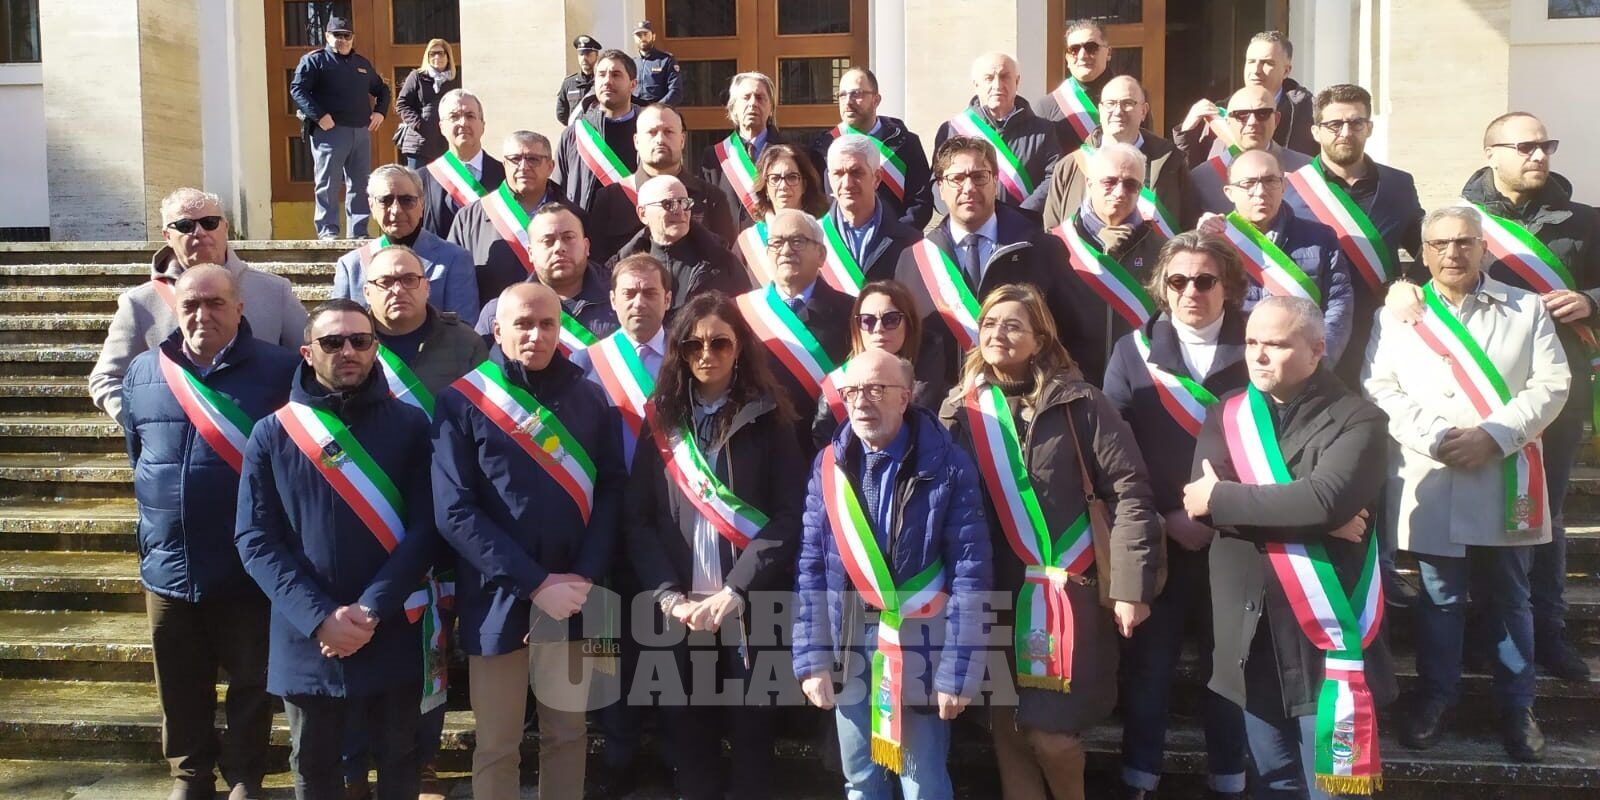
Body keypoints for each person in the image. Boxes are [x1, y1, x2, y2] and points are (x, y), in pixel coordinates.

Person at [1364, 206, 1570, 763]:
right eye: (1439, 243)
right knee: (1440, 598)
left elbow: (1553, 384)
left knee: (1510, 596)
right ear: (1423, 252)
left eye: (1464, 242)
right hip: (1434, 473)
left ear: (1484, 248)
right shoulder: (1398, 315)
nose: (1452, 253)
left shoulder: (1526, 308)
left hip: (1506, 471)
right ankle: (1437, 697)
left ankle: (1517, 706)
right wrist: (1437, 438)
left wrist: (1494, 436)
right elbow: (1380, 386)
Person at [940, 283, 1161, 800]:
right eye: (990, 323)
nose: (998, 333)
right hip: (993, 591)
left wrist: (1132, 587)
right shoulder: (960, 410)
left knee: (1052, 734)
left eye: (1013, 324)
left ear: (1040, 340)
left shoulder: (1083, 403)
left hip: (1070, 592)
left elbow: (1130, 492)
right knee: (1007, 726)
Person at [1187, 295, 1395, 798]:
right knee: (1272, 782)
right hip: (1249, 633)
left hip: (1322, 638)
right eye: (1251, 342)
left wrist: (1229, 499)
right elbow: (1200, 506)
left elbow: (1322, 500)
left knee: (1333, 790)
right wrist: (1315, 521)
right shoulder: (1226, 413)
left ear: (1317, 350)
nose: (1258, 355)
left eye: (1276, 345)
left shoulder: (1361, 419)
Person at [235, 299, 437, 800]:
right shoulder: (272, 433)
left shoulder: (411, 426)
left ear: (375, 348)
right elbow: (255, 539)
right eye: (332, 342)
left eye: (360, 341)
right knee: (314, 765)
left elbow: (428, 528)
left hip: (390, 622)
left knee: (400, 759)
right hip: (308, 633)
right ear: (307, 352)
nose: (348, 351)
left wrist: (371, 608)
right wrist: (320, 617)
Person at [432, 282, 626, 800]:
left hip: (580, 597)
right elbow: (454, 512)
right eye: (522, 324)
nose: (536, 335)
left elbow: (612, 489)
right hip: (497, 596)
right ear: (497, 330)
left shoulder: (590, 397)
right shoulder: (461, 401)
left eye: (547, 324)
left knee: (570, 734)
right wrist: (537, 584)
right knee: (497, 744)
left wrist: (583, 576)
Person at [122, 265, 299, 800]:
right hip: (169, 562)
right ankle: (189, 774)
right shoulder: (144, 371)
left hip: (248, 565)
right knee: (179, 682)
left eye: (216, 303)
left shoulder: (280, 371)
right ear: (175, 310)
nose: (203, 314)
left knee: (252, 681)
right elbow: (138, 454)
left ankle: (245, 775)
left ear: (240, 308)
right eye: (191, 305)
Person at [624, 291, 806, 800]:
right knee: (688, 736)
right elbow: (638, 519)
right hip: (680, 612)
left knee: (753, 736)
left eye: (720, 343)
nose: (707, 354)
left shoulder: (771, 418)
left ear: (740, 346)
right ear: (679, 352)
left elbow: (789, 516)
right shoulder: (661, 420)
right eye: (693, 344)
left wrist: (737, 590)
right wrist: (667, 595)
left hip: (750, 608)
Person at [794, 349, 992, 799]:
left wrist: (959, 671)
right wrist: (812, 659)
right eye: (853, 391)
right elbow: (811, 567)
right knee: (860, 781)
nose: (862, 401)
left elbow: (970, 571)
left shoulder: (948, 464)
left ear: (905, 397)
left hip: (920, 646)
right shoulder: (828, 466)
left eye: (876, 389)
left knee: (922, 784)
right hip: (847, 643)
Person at [1102, 234, 1251, 800]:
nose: (1192, 291)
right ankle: (1138, 778)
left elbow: (1284, 443)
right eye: (1179, 280)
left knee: (1230, 668)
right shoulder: (1131, 352)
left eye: (1206, 280)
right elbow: (1112, 448)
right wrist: (1165, 517)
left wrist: (1220, 514)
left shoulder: (1259, 344)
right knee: (1148, 668)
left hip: (1237, 538)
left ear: (1228, 287)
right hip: (1157, 538)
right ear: (1162, 288)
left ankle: (1230, 779)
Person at [342, 244, 483, 799]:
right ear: (366, 292)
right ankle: (354, 765)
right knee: (361, 636)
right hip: (363, 514)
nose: (397, 289)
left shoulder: (463, 343)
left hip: (442, 521)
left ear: (427, 285)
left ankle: (421, 758)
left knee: (432, 649)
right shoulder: (347, 341)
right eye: (385, 282)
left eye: (408, 279)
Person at [1464, 111, 1599, 681]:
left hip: (1559, 389)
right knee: (1480, 510)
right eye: (1524, 147)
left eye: (1546, 145)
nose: (1539, 155)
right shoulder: (1460, 221)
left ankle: (1550, 632)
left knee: (1548, 512)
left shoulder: (1586, 220)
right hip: (1481, 389)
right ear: (1491, 153)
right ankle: (1483, 631)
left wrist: (1591, 301)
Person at [91, 188, 306, 427]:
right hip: (177, 446)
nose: (200, 232)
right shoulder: (140, 302)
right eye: (185, 226)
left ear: (225, 228)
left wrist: (285, 431)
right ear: (167, 235)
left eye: (210, 222)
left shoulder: (274, 291)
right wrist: (147, 425)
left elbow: (311, 362)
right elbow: (107, 378)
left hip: (257, 441)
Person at [893, 136, 1095, 391]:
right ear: (941, 188)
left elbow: (1077, 335)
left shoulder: (1041, 249)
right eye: (957, 178)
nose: (969, 188)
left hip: (1027, 402)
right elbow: (905, 347)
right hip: (944, 408)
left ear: (995, 182)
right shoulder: (913, 261)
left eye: (979, 176)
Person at [1284, 84, 1424, 383]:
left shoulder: (1398, 184)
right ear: (1316, 132)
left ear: (1369, 128)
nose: (1345, 132)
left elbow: (1428, 248)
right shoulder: (1291, 190)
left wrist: (1408, 284)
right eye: (1334, 124)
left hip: (1383, 327)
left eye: (1356, 123)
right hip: (1318, 330)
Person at [1196, 149, 1353, 363]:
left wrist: (1321, 359)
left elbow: (1338, 304)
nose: (1261, 191)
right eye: (1248, 183)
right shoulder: (1215, 242)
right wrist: (1200, 244)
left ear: (1284, 186)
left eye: (1270, 181)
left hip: (1303, 364)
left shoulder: (1321, 238)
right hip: (1234, 365)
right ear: (1229, 192)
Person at [734, 209, 854, 455]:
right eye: (776, 243)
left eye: (797, 241)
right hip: (761, 450)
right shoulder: (739, 313)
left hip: (830, 447)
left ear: (821, 254)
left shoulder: (852, 312)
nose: (786, 250)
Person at [1053, 142, 1169, 375]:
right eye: (1109, 181)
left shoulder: (1161, 250)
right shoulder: (1056, 244)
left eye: (1131, 184)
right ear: (1090, 184)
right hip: (1071, 382)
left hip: (1139, 383)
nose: (1119, 192)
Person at [589, 104, 738, 264]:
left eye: (668, 132)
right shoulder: (610, 198)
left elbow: (725, 263)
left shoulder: (711, 197)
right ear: (636, 142)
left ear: (682, 140)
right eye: (652, 132)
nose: (660, 140)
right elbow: (599, 267)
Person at [1042, 75, 1188, 234]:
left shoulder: (1171, 161)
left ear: (1143, 111)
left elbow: (1188, 225)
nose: (1118, 111)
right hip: (1085, 251)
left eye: (1128, 103)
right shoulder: (1069, 166)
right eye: (1110, 104)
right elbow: (1052, 231)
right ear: (1100, 110)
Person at [333, 164, 479, 321]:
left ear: (422, 204)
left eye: (407, 200)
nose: (396, 210)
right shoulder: (351, 267)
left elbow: (464, 328)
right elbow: (337, 326)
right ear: (371, 206)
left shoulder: (454, 260)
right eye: (385, 200)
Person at [290, 15, 389, 240]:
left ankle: (359, 232)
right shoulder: (315, 61)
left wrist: (380, 112)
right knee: (328, 183)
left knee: (360, 184)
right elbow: (298, 89)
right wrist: (319, 116)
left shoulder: (362, 64)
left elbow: (382, 89)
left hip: (360, 132)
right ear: (327, 36)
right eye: (337, 35)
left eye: (347, 36)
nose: (342, 40)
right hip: (329, 133)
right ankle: (328, 231)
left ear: (352, 38)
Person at [473, 202, 620, 349]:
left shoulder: (622, 300)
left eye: (568, 238)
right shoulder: (500, 311)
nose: (559, 248)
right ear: (531, 253)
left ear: (586, 246)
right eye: (548, 241)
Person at [809, 280, 936, 448]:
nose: (878, 328)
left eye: (891, 319)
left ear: (909, 324)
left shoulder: (933, 377)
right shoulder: (836, 387)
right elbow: (826, 452)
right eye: (867, 321)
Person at [933, 53, 1061, 219]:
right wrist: (963, 215)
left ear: (1017, 82)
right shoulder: (952, 129)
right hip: (970, 226)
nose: (997, 85)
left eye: (1005, 76)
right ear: (976, 85)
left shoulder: (1044, 130)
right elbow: (937, 181)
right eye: (989, 78)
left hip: (1024, 225)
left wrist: (1020, 215)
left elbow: (1053, 177)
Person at [447, 131, 570, 301]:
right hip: (492, 316)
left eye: (533, 159)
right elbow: (455, 283)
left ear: (550, 166)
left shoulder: (574, 217)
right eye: (515, 159)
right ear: (504, 164)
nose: (524, 167)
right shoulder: (469, 218)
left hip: (559, 316)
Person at [807, 67, 935, 230]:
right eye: (842, 95)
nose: (848, 101)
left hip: (896, 240)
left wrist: (896, 236)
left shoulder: (906, 143)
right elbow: (816, 202)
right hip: (839, 241)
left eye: (856, 94)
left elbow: (921, 203)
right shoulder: (823, 148)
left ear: (876, 100)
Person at [1174, 31, 1316, 168]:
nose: (1256, 70)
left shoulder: (1310, 112)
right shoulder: (1218, 113)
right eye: (1251, 61)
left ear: (1286, 71)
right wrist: (1187, 132)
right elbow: (1191, 174)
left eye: (1267, 63)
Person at [609, 175, 750, 313]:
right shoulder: (621, 269)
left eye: (684, 203)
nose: (679, 211)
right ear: (643, 214)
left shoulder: (722, 262)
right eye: (668, 204)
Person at [1183, 85, 1312, 224]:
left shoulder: (1306, 170)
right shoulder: (1202, 178)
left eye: (1263, 113)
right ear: (1228, 122)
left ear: (1276, 120)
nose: (1252, 122)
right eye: (1241, 115)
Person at [818, 134, 923, 292]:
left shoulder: (912, 243)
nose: (847, 184)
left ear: (877, 178)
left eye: (856, 172)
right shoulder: (813, 237)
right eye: (838, 173)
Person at [554, 48, 642, 214]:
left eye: (616, 75)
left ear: (633, 85)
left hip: (637, 226)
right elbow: (558, 190)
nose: (607, 81)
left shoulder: (648, 131)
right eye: (601, 75)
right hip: (584, 227)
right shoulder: (574, 134)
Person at [738, 144, 831, 285]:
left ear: (804, 185)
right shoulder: (748, 242)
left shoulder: (826, 234)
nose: (783, 186)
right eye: (775, 179)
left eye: (792, 177)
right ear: (765, 187)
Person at [700, 71, 783, 229]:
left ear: (771, 108)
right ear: (733, 108)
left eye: (760, 97)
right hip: (727, 243)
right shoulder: (714, 157)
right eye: (746, 97)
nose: (753, 103)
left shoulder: (789, 153)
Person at [418, 89, 504, 240]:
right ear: (441, 127)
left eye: (470, 116)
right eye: (454, 116)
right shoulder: (421, 180)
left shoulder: (505, 176)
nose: (463, 123)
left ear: (483, 125)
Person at [1035, 19, 1117, 155]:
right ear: (1067, 58)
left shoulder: (1131, 98)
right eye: (1074, 49)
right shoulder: (1047, 107)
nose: (1082, 55)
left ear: (1108, 53)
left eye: (1091, 47)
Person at [395, 39, 460, 168]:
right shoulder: (417, 76)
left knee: (445, 180)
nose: (436, 57)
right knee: (417, 180)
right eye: (432, 53)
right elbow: (402, 104)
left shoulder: (454, 80)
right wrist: (418, 124)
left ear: (448, 56)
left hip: (445, 144)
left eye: (440, 53)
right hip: (419, 143)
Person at [632, 20, 683, 106]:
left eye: (646, 34)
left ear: (653, 36)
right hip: (636, 110)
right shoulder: (631, 63)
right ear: (634, 38)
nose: (642, 38)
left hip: (660, 110)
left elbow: (676, 92)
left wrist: (657, 108)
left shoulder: (666, 60)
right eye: (639, 35)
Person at [556, 35, 602, 126]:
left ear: (596, 55)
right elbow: (561, 113)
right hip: (577, 131)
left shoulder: (602, 81)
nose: (584, 58)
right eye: (581, 54)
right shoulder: (569, 83)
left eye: (588, 54)